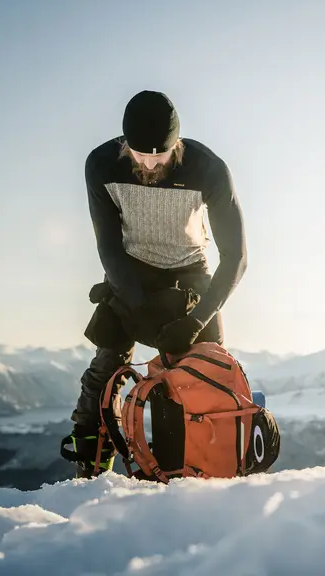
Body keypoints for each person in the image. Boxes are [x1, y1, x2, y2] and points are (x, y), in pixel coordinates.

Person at [65, 90, 247, 478]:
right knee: (107, 363)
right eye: (139, 154)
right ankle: (90, 468)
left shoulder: (209, 170)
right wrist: (132, 303)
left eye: (159, 156)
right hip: (130, 267)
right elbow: (109, 245)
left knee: (207, 368)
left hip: (189, 269)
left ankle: (197, 471)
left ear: (176, 144)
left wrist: (197, 320)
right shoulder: (100, 164)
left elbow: (236, 258)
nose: (148, 164)